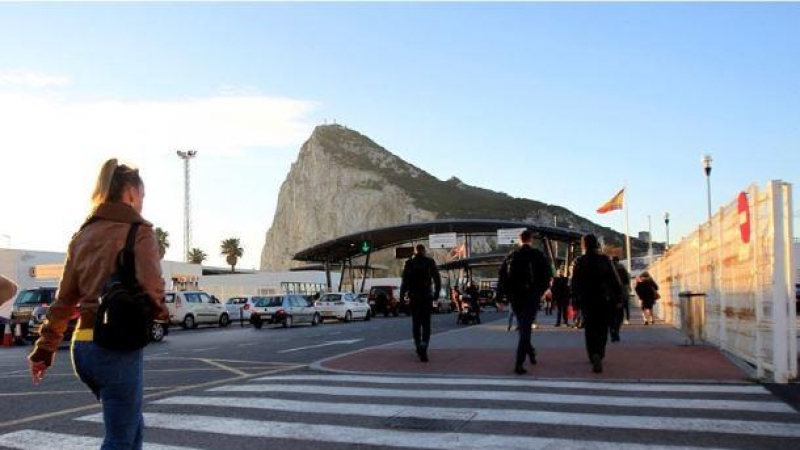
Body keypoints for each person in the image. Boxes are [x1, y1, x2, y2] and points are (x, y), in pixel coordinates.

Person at [28, 159, 169, 449]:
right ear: (130, 193)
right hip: (115, 346)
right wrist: (161, 314)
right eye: (142, 196)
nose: (142, 203)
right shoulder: (139, 232)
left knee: (131, 429)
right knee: (119, 438)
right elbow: (153, 288)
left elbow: (64, 302)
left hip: (83, 349)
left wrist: (44, 350)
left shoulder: (82, 236)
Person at [497, 229, 553, 375]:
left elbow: (502, 278)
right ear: (531, 239)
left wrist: (500, 298)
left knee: (523, 327)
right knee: (525, 328)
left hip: (515, 298)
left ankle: (531, 352)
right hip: (531, 296)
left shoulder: (511, 256)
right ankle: (519, 363)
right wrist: (539, 292)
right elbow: (547, 276)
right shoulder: (538, 255)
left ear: (519, 240)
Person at [570, 234, 623, 374]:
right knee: (602, 328)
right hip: (603, 298)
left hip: (587, 299)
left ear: (583, 245)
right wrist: (618, 298)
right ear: (596, 245)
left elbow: (574, 283)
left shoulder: (578, 261)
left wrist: (575, 301)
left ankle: (593, 354)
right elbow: (614, 280)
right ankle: (599, 352)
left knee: (590, 327)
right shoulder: (604, 260)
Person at [399, 244, 441, 362]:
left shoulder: (409, 263)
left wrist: (402, 298)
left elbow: (404, 282)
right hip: (426, 296)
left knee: (416, 323)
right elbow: (437, 279)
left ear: (415, 251)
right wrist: (436, 294)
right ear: (423, 251)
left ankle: (418, 345)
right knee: (426, 324)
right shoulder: (429, 262)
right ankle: (424, 345)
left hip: (414, 297)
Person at [609, 256, 632, 341]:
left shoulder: (607, 269)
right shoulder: (622, 268)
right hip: (621, 293)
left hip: (609, 295)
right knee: (620, 313)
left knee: (610, 314)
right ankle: (617, 330)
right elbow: (627, 280)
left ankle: (612, 330)